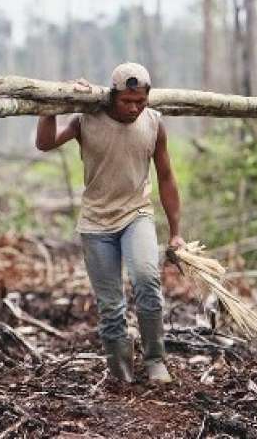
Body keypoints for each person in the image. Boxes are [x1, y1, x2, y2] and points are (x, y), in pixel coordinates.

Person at [35, 63, 185, 384]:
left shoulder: (153, 125)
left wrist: (176, 234)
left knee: (147, 280)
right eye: (126, 102)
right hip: (96, 222)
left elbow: (167, 178)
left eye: (140, 102)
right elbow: (45, 144)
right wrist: (52, 106)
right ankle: (120, 369)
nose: (133, 108)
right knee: (111, 304)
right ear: (112, 96)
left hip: (137, 213)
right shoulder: (85, 120)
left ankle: (156, 359)